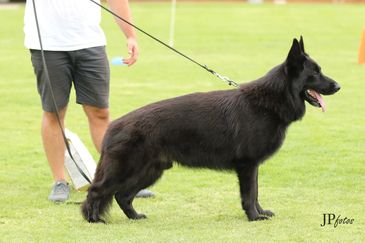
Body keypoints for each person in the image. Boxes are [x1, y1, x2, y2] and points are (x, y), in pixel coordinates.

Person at [24, 0, 154, 202]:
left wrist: (130, 36)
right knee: (54, 113)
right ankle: (59, 181)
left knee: (100, 112)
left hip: (90, 44)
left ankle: (120, 178)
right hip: (47, 45)